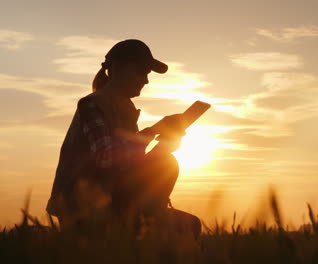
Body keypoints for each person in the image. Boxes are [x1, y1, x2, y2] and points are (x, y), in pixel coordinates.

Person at [46, 39, 201, 239]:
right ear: (118, 68)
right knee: (183, 226)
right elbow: (106, 157)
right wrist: (151, 132)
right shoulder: (92, 104)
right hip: (85, 212)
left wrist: (162, 147)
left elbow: (128, 165)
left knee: (189, 222)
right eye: (141, 71)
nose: (146, 80)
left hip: (116, 203)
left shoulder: (125, 109)